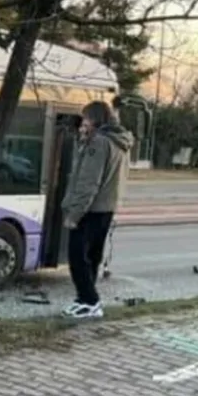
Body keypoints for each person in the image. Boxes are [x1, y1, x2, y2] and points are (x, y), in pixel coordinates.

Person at [61, 100, 134, 319]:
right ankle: (85, 300)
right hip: (106, 208)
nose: (83, 123)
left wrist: (74, 215)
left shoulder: (99, 143)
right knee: (92, 255)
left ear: (94, 119)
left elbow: (88, 182)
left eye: (85, 118)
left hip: (90, 209)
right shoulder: (120, 142)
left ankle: (90, 301)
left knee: (77, 256)